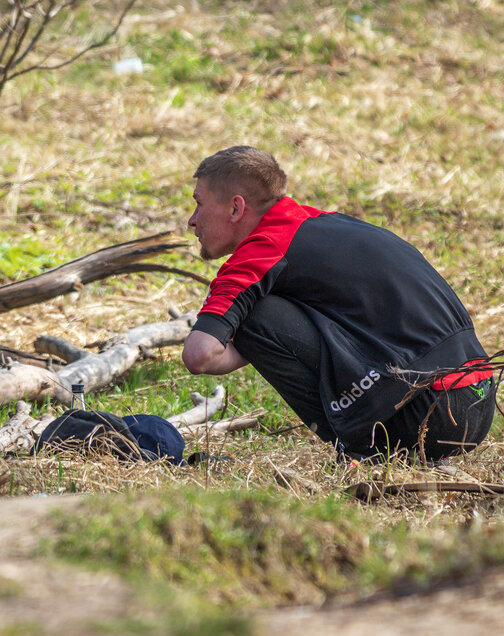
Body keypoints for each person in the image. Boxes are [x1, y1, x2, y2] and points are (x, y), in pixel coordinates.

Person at [181, 145, 496, 461]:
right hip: (478, 403)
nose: (192, 221)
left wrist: (251, 338)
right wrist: (259, 346)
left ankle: (361, 451)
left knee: (252, 315)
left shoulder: (263, 250)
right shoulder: (325, 224)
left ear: (236, 208)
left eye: (198, 204)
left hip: (428, 416)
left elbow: (200, 356)